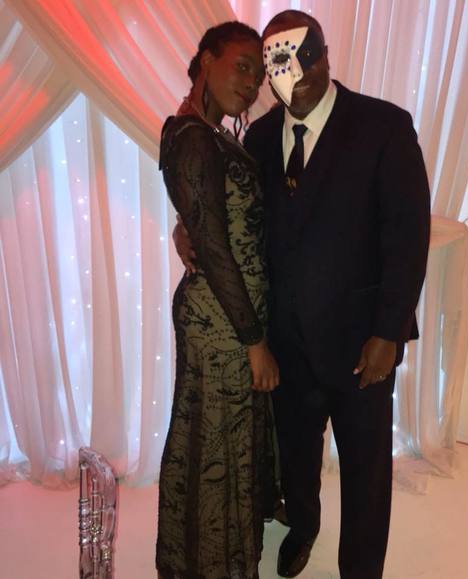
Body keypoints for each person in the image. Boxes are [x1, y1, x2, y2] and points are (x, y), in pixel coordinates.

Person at [175, 10, 431, 579]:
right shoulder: (262, 137)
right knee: (296, 458)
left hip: (362, 344)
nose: (300, 72)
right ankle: (304, 526)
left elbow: (408, 237)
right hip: (286, 345)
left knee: (366, 472)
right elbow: (231, 210)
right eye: (282, 63)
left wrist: (388, 332)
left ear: (325, 53)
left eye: (308, 55)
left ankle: (360, 568)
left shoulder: (384, 127)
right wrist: (186, 225)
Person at [156, 21, 280, 579]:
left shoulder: (207, 132)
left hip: (228, 313)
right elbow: (213, 247)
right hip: (221, 322)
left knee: (220, 445)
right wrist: (255, 342)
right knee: (216, 450)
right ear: (207, 59)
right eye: (242, 66)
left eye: (259, 75)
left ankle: (216, 559)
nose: (252, 83)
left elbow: (209, 219)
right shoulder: (192, 136)